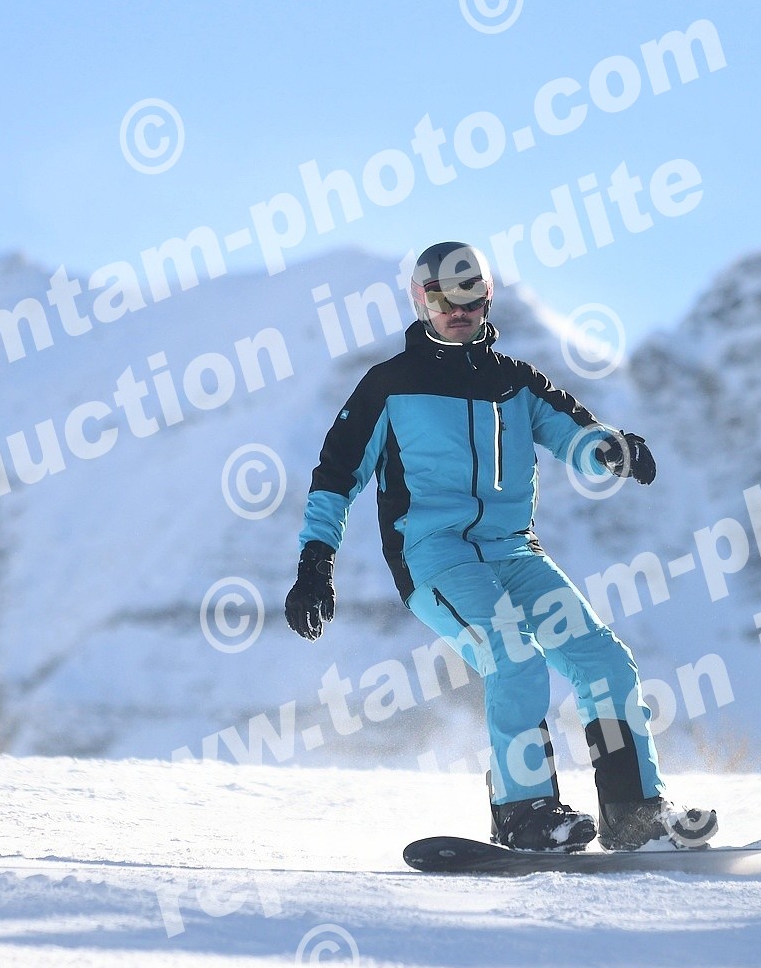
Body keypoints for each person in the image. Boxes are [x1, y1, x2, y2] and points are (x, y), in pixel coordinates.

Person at [284, 241, 718, 851]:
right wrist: (314, 564)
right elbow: (336, 475)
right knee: (513, 655)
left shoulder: (513, 382)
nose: (456, 309)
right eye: (440, 297)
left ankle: (633, 812)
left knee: (604, 662)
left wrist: (611, 449)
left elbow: (572, 431)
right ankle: (523, 811)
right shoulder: (390, 386)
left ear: (487, 298)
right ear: (420, 302)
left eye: (469, 295)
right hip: (433, 555)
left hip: (514, 552)